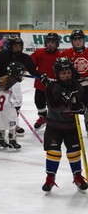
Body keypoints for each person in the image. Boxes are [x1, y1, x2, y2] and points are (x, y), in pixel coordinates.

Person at [42, 57, 88, 194]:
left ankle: (78, 176)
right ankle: (50, 178)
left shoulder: (78, 87)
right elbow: (55, 108)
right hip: (53, 126)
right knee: (53, 153)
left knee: (74, 153)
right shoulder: (52, 87)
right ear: (57, 74)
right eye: (63, 73)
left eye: (68, 72)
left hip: (71, 127)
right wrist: (68, 103)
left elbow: (85, 103)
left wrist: (82, 107)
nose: (66, 75)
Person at [0, 36, 43, 137]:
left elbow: (33, 71)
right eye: (15, 46)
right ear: (10, 46)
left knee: (15, 105)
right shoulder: (2, 55)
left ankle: (14, 124)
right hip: (1, 83)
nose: (18, 48)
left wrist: (41, 76)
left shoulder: (25, 58)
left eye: (19, 46)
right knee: (2, 105)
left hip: (14, 84)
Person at [60, 29, 88, 135]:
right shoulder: (66, 53)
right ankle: (69, 128)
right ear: (72, 41)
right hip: (72, 86)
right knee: (71, 108)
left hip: (87, 86)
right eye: (75, 40)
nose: (78, 42)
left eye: (80, 39)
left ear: (83, 40)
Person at [30, 33, 60, 130]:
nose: (50, 44)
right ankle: (43, 117)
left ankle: (54, 120)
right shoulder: (39, 53)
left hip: (54, 86)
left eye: (52, 42)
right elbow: (30, 65)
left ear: (57, 44)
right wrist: (37, 74)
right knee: (39, 102)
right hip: (41, 85)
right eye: (48, 42)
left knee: (54, 104)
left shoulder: (60, 55)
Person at [0, 62, 25, 150]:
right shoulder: (15, 84)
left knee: (2, 123)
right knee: (13, 123)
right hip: (9, 106)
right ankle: (12, 141)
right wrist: (18, 105)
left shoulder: (4, 79)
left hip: (0, 107)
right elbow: (17, 97)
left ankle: (0, 140)